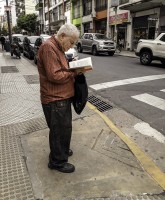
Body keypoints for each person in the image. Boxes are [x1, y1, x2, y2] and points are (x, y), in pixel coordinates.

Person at [37, 24, 82, 173]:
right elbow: (54, 75)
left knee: (64, 129)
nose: (72, 46)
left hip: (61, 97)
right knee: (58, 131)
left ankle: (61, 150)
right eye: (71, 42)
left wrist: (72, 65)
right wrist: (74, 72)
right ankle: (57, 161)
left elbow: (60, 68)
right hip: (55, 99)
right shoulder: (49, 47)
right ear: (62, 36)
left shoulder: (58, 47)